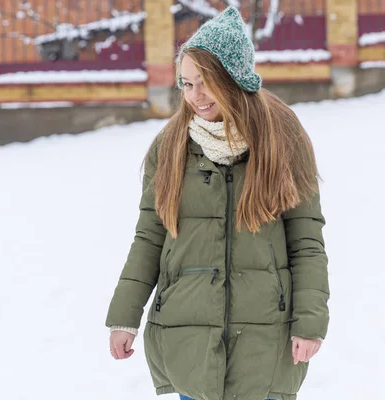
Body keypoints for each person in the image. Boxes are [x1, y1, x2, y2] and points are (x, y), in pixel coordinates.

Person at [105, 6, 329, 400]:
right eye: (186, 84)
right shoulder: (171, 146)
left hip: (265, 338)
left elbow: (306, 241)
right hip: (187, 335)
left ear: (234, 78)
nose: (195, 96)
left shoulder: (282, 139)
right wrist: (125, 316)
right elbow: (150, 236)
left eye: (205, 82)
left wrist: (309, 321)